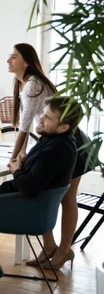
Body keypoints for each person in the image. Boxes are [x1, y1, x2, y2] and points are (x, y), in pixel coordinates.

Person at [6, 43, 95, 270]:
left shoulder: (33, 85)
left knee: (66, 197)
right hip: (57, 140)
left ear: (26, 61)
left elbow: (24, 128)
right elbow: (27, 126)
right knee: (47, 192)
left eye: (14, 57)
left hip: (72, 143)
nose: (8, 60)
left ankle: (64, 250)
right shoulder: (24, 83)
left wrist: (14, 160)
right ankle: (50, 247)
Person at [0, 96, 81, 283]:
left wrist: (17, 169)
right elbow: (39, 177)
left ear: (63, 127)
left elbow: (29, 188)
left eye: (48, 117)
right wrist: (27, 164)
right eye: (43, 113)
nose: (41, 118)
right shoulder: (58, 142)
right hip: (24, 204)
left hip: (17, 207)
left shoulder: (54, 150)